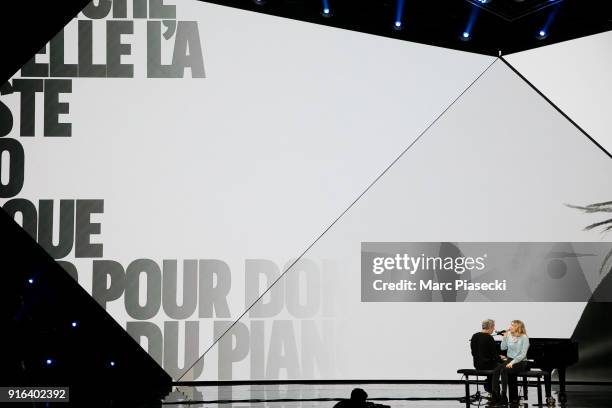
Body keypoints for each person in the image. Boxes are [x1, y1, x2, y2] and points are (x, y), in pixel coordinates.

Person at [470, 319, 504, 402]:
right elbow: (494, 356)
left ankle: (489, 387)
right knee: (503, 367)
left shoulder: (474, 336)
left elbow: (473, 352)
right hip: (488, 365)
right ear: (490, 327)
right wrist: (501, 357)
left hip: (477, 364)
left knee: (495, 366)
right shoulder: (489, 337)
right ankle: (497, 394)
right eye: (493, 326)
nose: (494, 328)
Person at [498, 320, 530, 405]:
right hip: (509, 359)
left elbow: (523, 354)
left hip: (520, 361)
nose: (510, 327)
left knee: (505, 370)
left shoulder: (524, 337)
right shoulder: (508, 335)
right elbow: (502, 348)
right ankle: (511, 397)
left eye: (512, 325)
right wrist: (504, 337)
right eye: (510, 325)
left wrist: (512, 363)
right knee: (499, 369)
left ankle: (503, 395)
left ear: (517, 327)